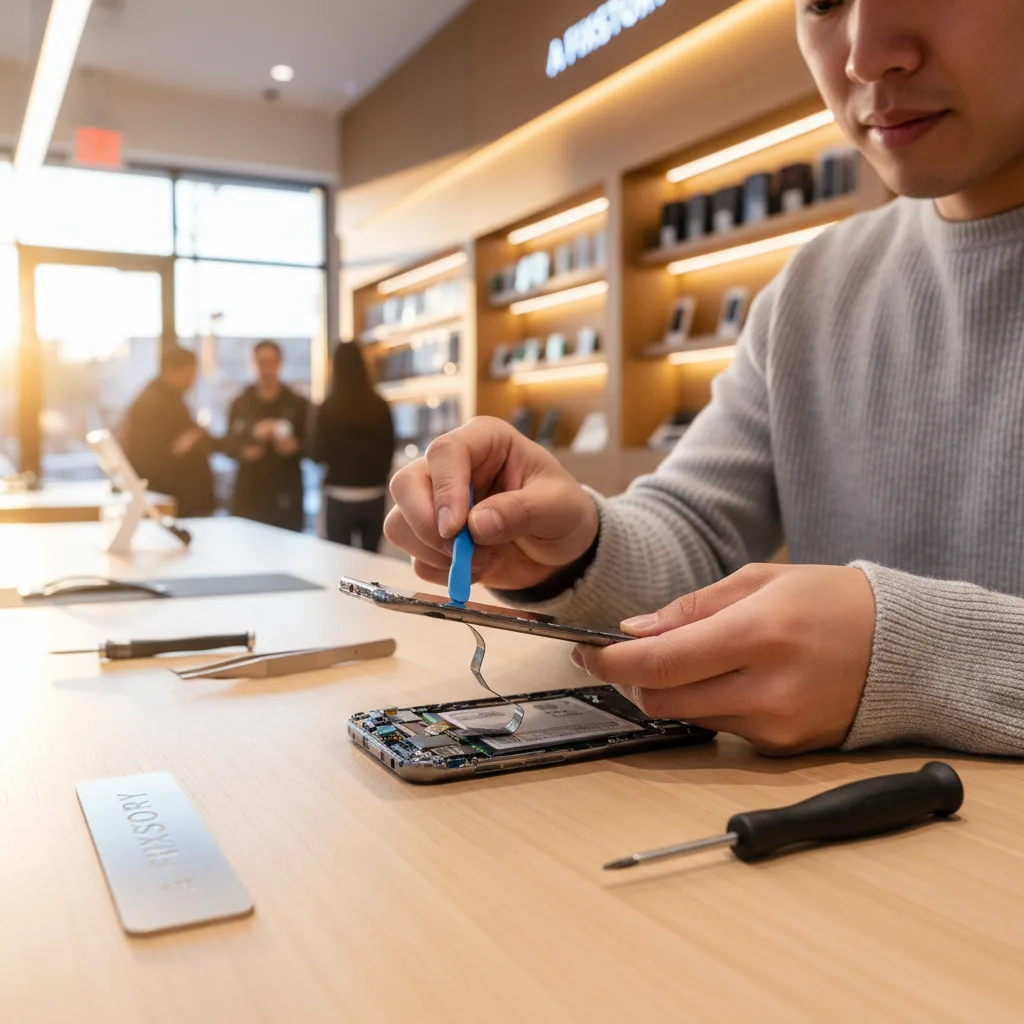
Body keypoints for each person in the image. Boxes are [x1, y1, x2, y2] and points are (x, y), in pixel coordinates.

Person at [385, 0, 1024, 759]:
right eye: (822, 1)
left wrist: (921, 656)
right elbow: (699, 534)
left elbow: (899, 654)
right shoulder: (814, 286)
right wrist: (573, 547)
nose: (864, 54)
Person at [313, 343, 395, 551]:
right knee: (371, 561)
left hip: (339, 493)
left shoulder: (328, 407)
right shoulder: (379, 405)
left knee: (340, 561)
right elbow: (389, 447)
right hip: (373, 493)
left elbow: (316, 453)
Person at [223, 340, 310, 532]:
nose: (266, 368)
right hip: (249, 493)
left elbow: (313, 446)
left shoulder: (297, 403)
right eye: (261, 362)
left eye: (271, 362)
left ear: (280, 363)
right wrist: (245, 449)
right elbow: (227, 445)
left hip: (285, 492)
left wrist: (294, 446)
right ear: (253, 363)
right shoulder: (240, 403)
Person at [121, 346, 214, 518]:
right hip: (169, 498)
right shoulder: (154, 403)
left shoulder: (170, 398)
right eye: (189, 373)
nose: (193, 380)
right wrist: (180, 446)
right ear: (172, 371)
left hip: (174, 497)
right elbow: (149, 456)